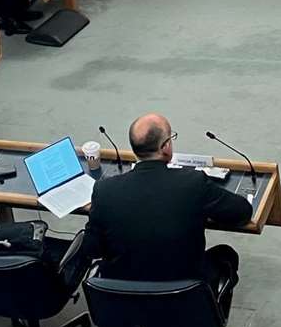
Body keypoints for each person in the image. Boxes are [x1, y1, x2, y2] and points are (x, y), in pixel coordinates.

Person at [86, 113, 252, 315]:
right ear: (165, 147)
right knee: (225, 255)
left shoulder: (104, 191)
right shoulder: (192, 183)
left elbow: (92, 249)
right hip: (183, 301)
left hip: (124, 310)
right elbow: (242, 213)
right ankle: (207, 316)